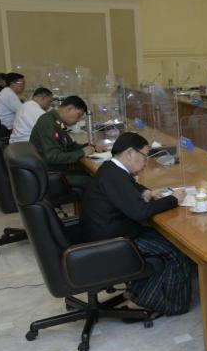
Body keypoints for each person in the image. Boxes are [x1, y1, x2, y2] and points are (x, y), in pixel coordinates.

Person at [80, 132, 193, 316]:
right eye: (145, 156)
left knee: (163, 239)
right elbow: (140, 212)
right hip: (114, 241)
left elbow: (129, 187)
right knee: (175, 252)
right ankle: (149, 302)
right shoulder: (115, 176)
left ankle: (136, 291)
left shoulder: (111, 169)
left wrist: (145, 192)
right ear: (130, 153)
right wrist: (173, 199)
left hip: (109, 232)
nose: (146, 162)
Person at [29, 96, 105, 189]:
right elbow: (53, 157)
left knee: (96, 174)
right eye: (78, 115)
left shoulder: (58, 122)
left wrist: (91, 146)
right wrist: (83, 152)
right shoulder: (47, 122)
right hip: (51, 173)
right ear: (69, 109)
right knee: (98, 181)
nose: (78, 120)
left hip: (58, 169)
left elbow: (69, 145)